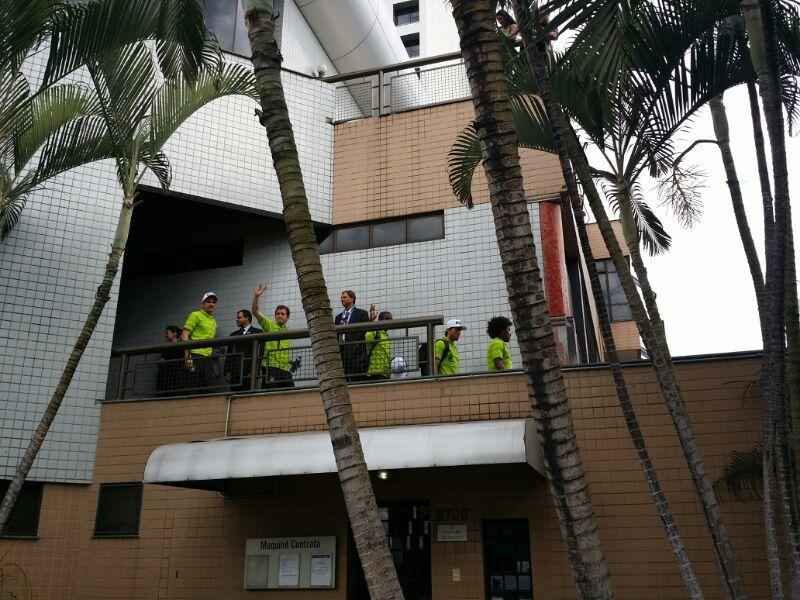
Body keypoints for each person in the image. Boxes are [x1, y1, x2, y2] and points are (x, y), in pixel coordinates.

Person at [252, 283, 295, 389]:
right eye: (278, 313)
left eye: (282, 314)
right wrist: (256, 296)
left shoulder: (288, 332)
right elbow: (255, 311)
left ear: (287, 317)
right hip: (270, 367)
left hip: (285, 369)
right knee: (270, 395)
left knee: (291, 394)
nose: (279, 315)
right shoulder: (269, 324)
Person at [182, 291, 225, 390]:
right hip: (195, 355)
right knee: (193, 386)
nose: (211, 304)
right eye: (208, 301)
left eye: (213, 302)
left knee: (206, 387)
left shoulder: (213, 321)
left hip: (208, 358)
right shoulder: (195, 315)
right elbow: (185, 335)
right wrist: (187, 356)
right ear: (202, 304)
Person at [334, 290, 370, 381]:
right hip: (342, 352)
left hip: (357, 353)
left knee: (357, 380)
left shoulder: (362, 314)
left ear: (352, 298)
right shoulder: (338, 317)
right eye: (341, 298)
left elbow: (364, 332)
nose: (342, 299)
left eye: (345, 297)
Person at [227, 309, 263, 391]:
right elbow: (229, 354)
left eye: (239, 317)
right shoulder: (233, 335)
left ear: (247, 318)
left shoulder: (258, 332)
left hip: (250, 371)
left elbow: (261, 353)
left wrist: (257, 370)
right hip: (235, 373)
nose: (237, 319)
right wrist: (227, 371)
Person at [365, 306, 393, 380]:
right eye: (387, 319)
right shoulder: (376, 332)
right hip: (375, 373)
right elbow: (368, 337)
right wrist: (372, 322)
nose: (389, 321)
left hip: (385, 373)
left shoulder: (386, 335)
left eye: (390, 319)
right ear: (380, 320)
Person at [157, 325, 185, 395]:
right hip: (168, 377)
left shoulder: (183, 345)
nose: (165, 335)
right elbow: (162, 359)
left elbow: (188, 359)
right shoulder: (166, 347)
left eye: (167, 333)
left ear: (175, 334)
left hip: (179, 376)